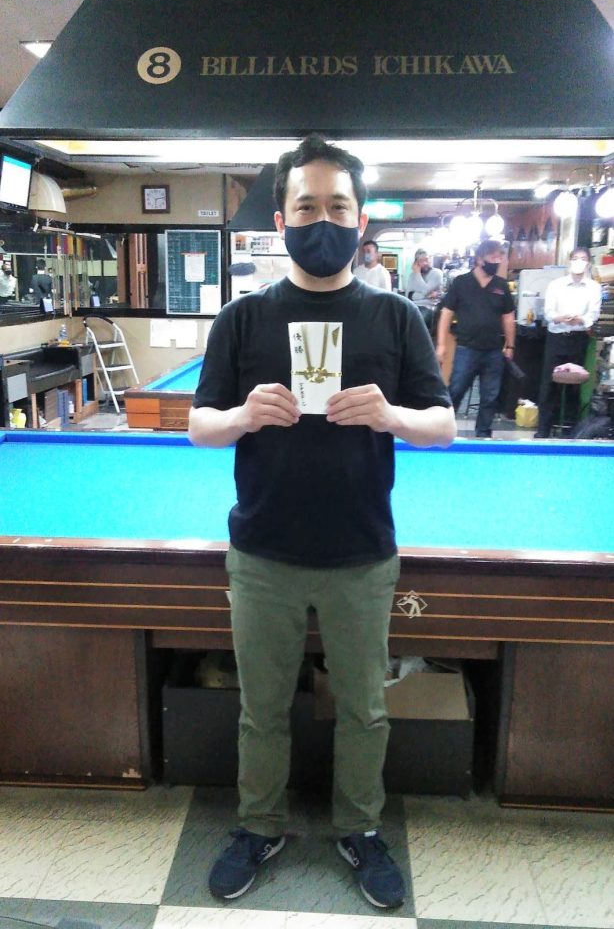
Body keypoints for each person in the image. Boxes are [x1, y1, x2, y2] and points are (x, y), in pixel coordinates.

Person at [189, 133, 455, 910]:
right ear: (281, 220)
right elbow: (200, 426)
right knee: (261, 709)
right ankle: (258, 825)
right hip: (262, 551)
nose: (323, 220)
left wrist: (392, 414)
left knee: (365, 710)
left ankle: (360, 828)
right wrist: (243, 415)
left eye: (338, 206)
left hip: (362, 553)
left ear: (360, 219)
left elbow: (443, 425)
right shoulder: (242, 318)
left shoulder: (396, 316)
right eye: (307, 207)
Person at [436, 239, 515, 438]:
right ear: (480, 259)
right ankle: (442, 430)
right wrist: (441, 344)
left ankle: (483, 435)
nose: (496, 261)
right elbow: (446, 313)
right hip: (466, 348)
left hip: (493, 351)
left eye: (499, 257)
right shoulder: (461, 282)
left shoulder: (501, 285)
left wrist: (510, 345)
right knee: (455, 391)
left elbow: (508, 317)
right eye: (492, 257)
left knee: (490, 397)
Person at [536, 246, 601, 438]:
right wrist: (560, 318)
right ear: (569, 261)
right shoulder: (556, 285)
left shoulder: (594, 287)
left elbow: (593, 314)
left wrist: (580, 320)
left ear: (589, 263)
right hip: (556, 337)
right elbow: (548, 312)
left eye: (583, 259)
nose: (579, 262)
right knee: (549, 385)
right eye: (575, 258)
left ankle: (571, 433)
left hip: (578, 338)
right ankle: (543, 430)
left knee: (574, 386)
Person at [405, 249, 443, 331]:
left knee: (416, 323)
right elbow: (408, 295)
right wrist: (425, 295)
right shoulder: (412, 275)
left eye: (426, 259)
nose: (425, 263)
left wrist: (417, 273)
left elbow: (425, 290)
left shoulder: (436, 273)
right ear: (416, 263)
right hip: (412, 306)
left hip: (427, 307)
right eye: (421, 260)